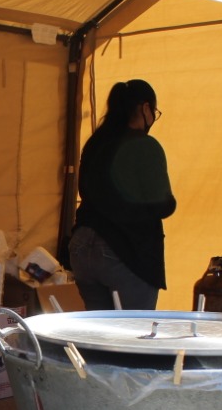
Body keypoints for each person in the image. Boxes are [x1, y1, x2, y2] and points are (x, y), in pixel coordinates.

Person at [68, 79, 177, 310]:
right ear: (145, 108)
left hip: (82, 245)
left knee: (99, 337)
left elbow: (85, 190)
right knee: (132, 334)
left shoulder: (95, 143)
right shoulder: (144, 145)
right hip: (125, 249)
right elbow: (163, 204)